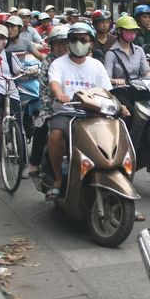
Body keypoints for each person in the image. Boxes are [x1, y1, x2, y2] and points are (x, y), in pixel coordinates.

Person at [45, 23, 113, 200]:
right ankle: (59, 179)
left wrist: (120, 106)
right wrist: (59, 93)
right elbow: (54, 83)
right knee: (55, 136)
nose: (79, 43)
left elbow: (107, 92)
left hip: (93, 114)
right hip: (66, 113)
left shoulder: (97, 65)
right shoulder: (58, 64)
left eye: (83, 39)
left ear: (91, 42)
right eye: (74, 39)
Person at [28, 26, 69, 177]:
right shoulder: (48, 61)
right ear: (52, 45)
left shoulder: (74, 58)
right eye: (58, 43)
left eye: (65, 42)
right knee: (43, 124)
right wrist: (54, 101)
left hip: (76, 104)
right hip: (51, 102)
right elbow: (45, 88)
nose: (61, 46)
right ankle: (34, 162)